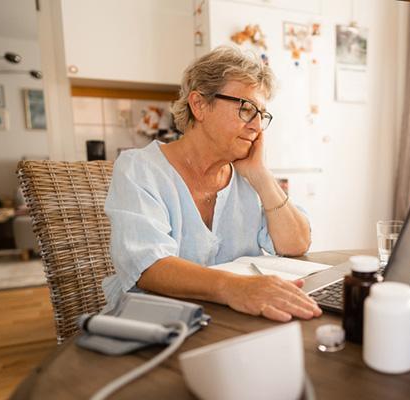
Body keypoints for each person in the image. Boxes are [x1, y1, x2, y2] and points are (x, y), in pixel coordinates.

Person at [102, 46, 322, 322]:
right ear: (199, 105)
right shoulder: (139, 169)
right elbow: (149, 267)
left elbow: (296, 244)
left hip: (229, 324)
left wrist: (262, 176)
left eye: (262, 115)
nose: (256, 126)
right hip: (156, 327)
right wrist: (236, 288)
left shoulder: (248, 177)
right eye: (246, 109)